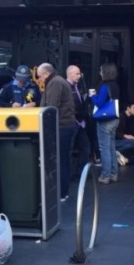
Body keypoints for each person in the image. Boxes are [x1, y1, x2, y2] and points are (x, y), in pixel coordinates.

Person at [37, 63, 76, 201]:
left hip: (62, 127)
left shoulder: (55, 83)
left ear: (46, 74)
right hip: (64, 126)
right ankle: (61, 191)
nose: (39, 79)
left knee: (60, 160)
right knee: (62, 159)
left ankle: (61, 192)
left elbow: (51, 108)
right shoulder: (57, 81)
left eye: (39, 76)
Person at [89, 63, 121, 184]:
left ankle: (105, 175)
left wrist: (92, 96)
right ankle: (114, 174)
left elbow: (99, 103)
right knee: (111, 147)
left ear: (105, 72)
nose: (100, 73)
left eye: (101, 71)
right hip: (115, 119)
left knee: (104, 148)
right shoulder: (115, 85)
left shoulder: (104, 86)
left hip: (105, 120)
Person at [66, 65, 91, 178]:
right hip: (72, 121)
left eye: (79, 74)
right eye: (77, 74)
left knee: (85, 147)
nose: (79, 76)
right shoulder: (66, 87)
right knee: (69, 148)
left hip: (81, 122)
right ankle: (70, 173)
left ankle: (82, 173)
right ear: (70, 74)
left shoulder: (77, 87)